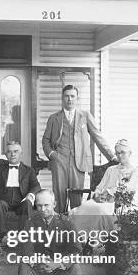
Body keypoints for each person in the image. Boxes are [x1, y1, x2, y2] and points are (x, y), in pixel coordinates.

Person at [42, 84, 115, 213]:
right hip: (59, 162)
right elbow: (45, 140)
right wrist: (53, 155)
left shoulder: (85, 115)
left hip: (79, 163)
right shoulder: (54, 118)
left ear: (77, 98)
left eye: (72, 96)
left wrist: (112, 156)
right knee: (59, 198)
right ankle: (60, 229)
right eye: (66, 96)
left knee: (76, 199)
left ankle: (75, 230)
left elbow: (98, 137)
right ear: (62, 98)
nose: (69, 99)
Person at [70, 139, 138, 235]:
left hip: (119, 203)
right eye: (117, 153)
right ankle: (79, 239)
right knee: (86, 207)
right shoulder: (111, 170)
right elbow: (99, 187)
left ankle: (96, 242)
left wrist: (109, 192)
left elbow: (128, 188)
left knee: (100, 210)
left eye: (123, 152)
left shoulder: (135, 171)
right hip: (102, 200)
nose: (119, 156)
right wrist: (98, 194)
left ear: (130, 153)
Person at [0, 141, 41, 238]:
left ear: (21, 153)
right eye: (9, 152)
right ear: (6, 154)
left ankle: (25, 238)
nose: (13, 154)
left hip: (21, 200)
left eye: (16, 151)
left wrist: (30, 195)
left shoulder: (29, 170)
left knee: (27, 204)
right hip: (3, 200)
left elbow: (36, 186)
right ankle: (1, 238)